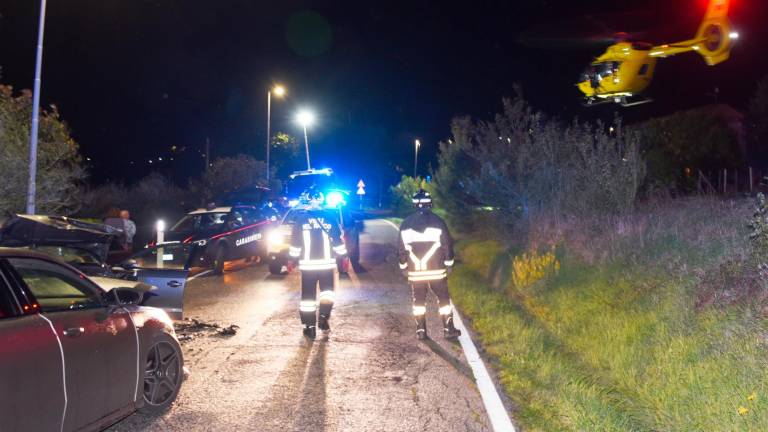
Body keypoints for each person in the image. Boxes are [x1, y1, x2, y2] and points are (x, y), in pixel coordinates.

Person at [398, 189, 461, 340]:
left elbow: (401, 249)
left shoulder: (405, 224)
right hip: (436, 271)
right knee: (444, 299)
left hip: (415, 272)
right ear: (430, 204)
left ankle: (421, 330)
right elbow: (447, 245)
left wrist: (403, 267)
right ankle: (448, 329)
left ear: (414, 204)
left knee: (418, 301)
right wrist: (449, 264)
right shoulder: (439, 222)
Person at [289, 190, 348, 339]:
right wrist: (344, 256)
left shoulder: (300, 220)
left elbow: (295, 244)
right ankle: (323, 316)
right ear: (321, 201)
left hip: (308, 266)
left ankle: (310, 327)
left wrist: (291, 260)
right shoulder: (330, 217)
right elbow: (337, 241)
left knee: (308, 297)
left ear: (307, 202)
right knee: (327, 292)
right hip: (326, 265)